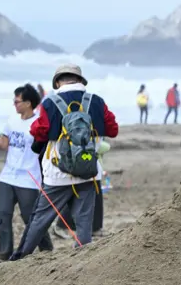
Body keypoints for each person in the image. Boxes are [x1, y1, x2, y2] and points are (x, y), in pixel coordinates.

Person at [10, 64, 119, 260]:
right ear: (80, 80)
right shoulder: (96, 101)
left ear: (58, 82)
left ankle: (19, 258)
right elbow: (112, 129)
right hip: (88, 170)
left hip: (57, 174)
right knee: (84, 223)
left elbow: (38, 131)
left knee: (39, 220)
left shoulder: (50, 103)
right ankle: (82, 259)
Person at [0, 84, 52, 260]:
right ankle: (4, 255)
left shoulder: (39, 122)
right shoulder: (11, 121)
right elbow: (3, 145)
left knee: (30, 218)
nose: (14, 104)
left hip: (28, 178)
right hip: (8, 176)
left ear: (28, 103)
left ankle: (47, 250)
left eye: (17, 101)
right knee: (3, 216)